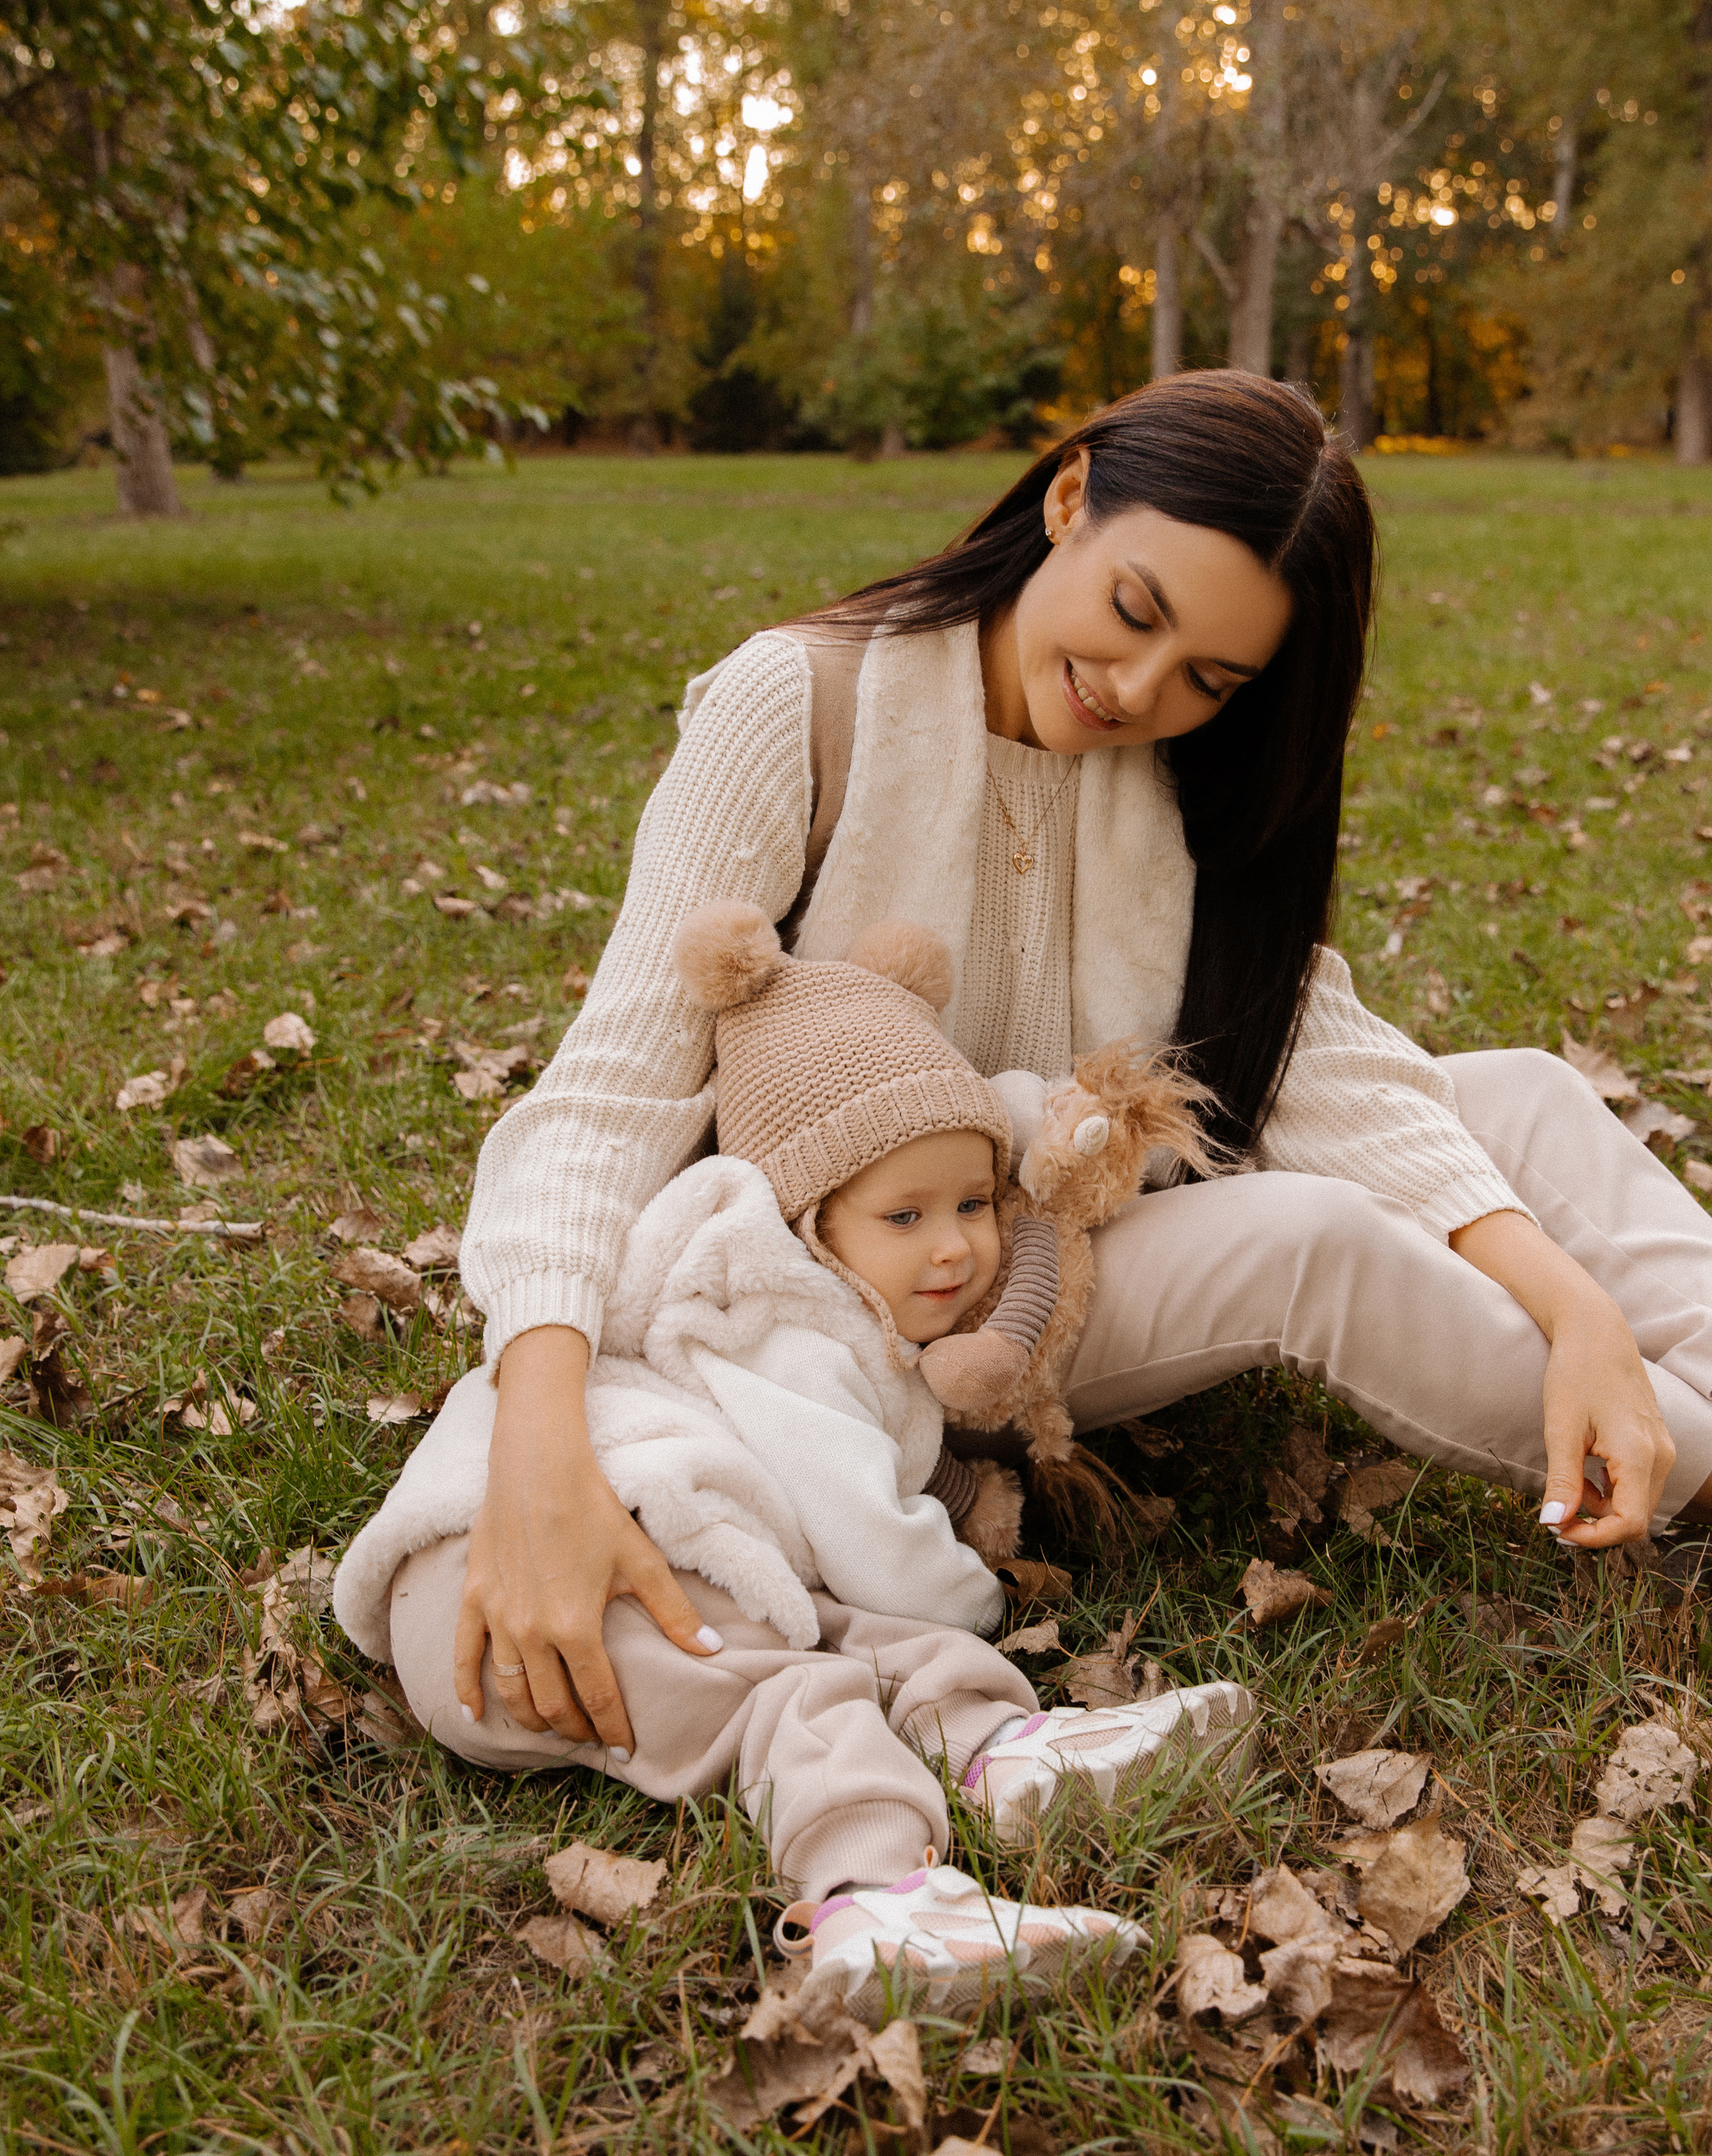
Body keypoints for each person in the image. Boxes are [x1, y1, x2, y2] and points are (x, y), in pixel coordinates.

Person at [441, 369, 1712, 1771]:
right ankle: (1680, 1452)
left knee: (1520, 1089)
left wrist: (1573, 1306)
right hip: (900, 1289)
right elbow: (608, 1092)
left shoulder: (1181, 768)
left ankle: (1654, 1377)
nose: (1137, 693)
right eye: (1132, 615)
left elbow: (1316, 1057)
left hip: (1071, 1202)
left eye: (1208, 680)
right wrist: (535, 1423)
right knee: (1310, 1236)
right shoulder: (799, 702)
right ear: (1067, 499)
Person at [334, 912, 1255, 2022]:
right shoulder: (787, 1319)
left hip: (668, 1544)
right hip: (497, 1597)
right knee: (788, 1688)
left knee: (825, 1629)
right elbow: (861, 1524)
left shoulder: (825, 1297)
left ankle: (1001, 1754)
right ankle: (877, 1902)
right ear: (813, 1218)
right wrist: (967, 1600)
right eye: (905, 1215)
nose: (954, 1245)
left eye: (973, 1204)